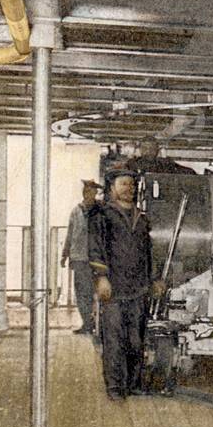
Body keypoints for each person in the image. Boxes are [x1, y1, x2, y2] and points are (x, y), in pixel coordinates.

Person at [88, 164, 165, 400]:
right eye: (123, 184)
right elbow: (96, 248)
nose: (128, 188)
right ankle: (114, 387)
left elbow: (149, 252)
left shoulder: (141, 218)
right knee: (114, 339)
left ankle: (133, 384)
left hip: (138, 288)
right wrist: (101, 278)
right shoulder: (102, 215)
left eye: (131, 184)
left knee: (136, 339)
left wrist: (154, 280)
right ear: (112, 187)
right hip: (113, 288)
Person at [60, 179, 102, 334]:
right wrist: (65, 254)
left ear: (95, 193)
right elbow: (70, 234)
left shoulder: (100, 210)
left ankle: (95, 323)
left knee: (94, 292)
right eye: (85, 191)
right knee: (81, 293)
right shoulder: (76, 211)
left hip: (96, 259)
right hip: (79, 258)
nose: (87, 193)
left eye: (91, 191)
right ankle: (87, 323)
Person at [126, 137, 196, 175]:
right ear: (140, 149)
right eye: (145, 148)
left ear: (158, 150)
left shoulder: (165, 163)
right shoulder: (132, 164)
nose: (148, 151)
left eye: (152, 148)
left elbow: (187, 171)